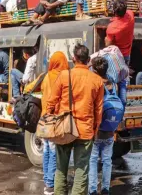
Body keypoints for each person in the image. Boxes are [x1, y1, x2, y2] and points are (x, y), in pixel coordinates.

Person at [46, 44, 104, 195]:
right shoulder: (97, 80)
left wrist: (48, 120)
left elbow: (51, 101)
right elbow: (98, 109)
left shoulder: (64, 76)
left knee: (61, 168)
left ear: (74, 59)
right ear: (88, 59)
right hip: (86, 130)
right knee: (81, 171)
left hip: (64, 128)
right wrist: (95, 129)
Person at [25, 51, 69, 195]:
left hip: (44, 119)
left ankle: (47, 182)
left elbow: (28, 88)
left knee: (46, 150)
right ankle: (50, 184)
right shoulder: (66, 77)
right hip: (57, 121)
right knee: (53, 151)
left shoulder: (45, 76)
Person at [89, 57, 124, 195]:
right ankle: (105, 189)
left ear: (95, 70)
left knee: (92, 160)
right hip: (110, 130)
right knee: (107, 161)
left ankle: (92, 190)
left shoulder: (96, 84)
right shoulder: (113, 83)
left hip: (97, 130)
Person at [105, 0, 135, 64]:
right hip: (127, 55)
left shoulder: (111, 27)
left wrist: (106, 39)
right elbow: (127, 11)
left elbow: (108, 44)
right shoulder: (131, 15)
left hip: (116, 56)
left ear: (113, 11)